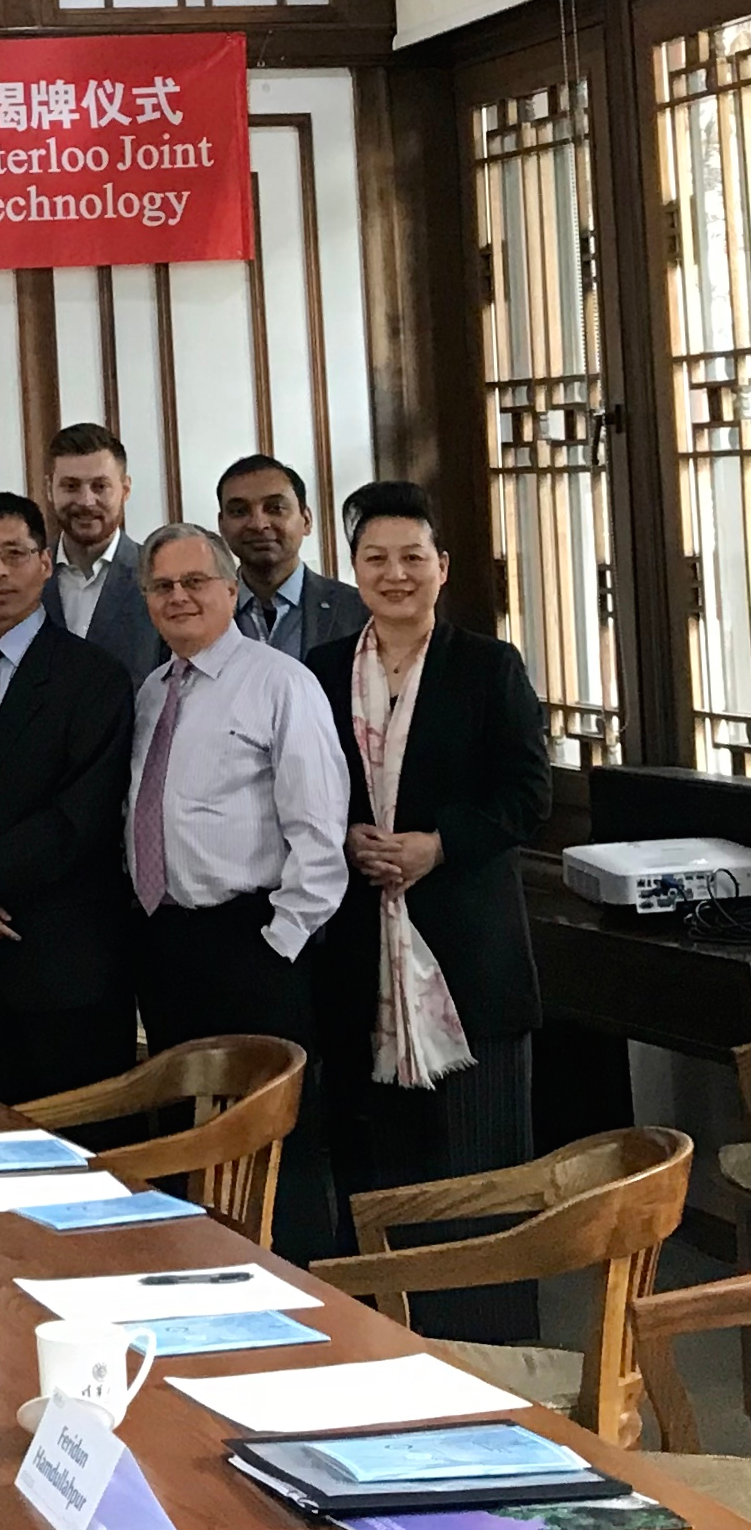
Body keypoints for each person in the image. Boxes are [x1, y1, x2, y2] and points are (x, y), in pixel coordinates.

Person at [309, 481, 550, 1332]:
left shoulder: (490, 666)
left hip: (465, 958)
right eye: (376, 557)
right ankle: (385, 1343)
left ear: (443, 568)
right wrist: (345, 837)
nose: (395, 572)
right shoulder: (320, 668)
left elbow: (529, 795)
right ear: (354, 569)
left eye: (413, 556)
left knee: (476, 1171)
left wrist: (435, 844)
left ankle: (487, 1346)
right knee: (378, 1167)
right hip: (357, 955)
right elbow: (306, 789)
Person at [126, 523, 349, 1260]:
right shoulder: (153, 692)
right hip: (165, 940)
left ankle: (301, 1300)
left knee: (274, 1142)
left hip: (254, 939)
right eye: (163, 586)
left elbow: (321, 835)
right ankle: (201, 1281)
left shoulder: (281, 683)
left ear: (229, 590)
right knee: (190, 1137)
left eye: (196, 582)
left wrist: (277, 944)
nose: (179, 597)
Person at [0, 493, 137, 1105]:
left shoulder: (92, 675)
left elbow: (85, 810)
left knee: (76, 1152)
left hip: (61, 958)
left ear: (45, 563)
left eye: (15, 555)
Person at [40, 424, 163, 684]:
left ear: (125, 489)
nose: (86, 501)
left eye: (100, 486)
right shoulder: (27, 577)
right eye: (71, 486)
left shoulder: (159, 577)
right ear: (50, 490)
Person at [217, 454, 365, 660]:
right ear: (222, 525)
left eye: (275, 508)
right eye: (240, 511)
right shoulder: (202, 610)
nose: (259, 524)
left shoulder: (358, 610)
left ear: (306, 520)